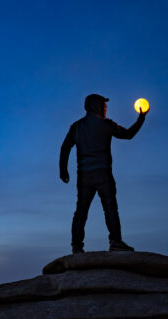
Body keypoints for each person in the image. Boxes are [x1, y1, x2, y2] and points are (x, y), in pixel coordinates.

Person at [59, 93, 147, 254]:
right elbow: (128, 135)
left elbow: (65, 148)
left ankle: (77, 246)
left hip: (84, 176)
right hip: (103, 174)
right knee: (110, 208)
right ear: (95, 106)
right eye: (103, 105)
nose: (106, 108)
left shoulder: (77, 126)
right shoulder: (106, 124)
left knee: (81, 210)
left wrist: (63, 170)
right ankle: (116, 242)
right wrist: (141, 118)